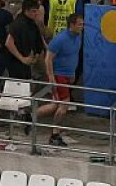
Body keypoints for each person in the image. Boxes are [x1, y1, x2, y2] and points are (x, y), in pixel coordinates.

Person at [36, 13, 84, 149]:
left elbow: (73, 55)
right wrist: (51, 77)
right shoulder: (60, 39)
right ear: (72, 25)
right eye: (80, 24)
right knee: (64, 106)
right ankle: (54, 134)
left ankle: (30, 115)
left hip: (67, 75)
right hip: (58, 75)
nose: (82, 27)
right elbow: (48, 58)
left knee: (55, 105)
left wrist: (73, 72)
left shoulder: (78, 37)